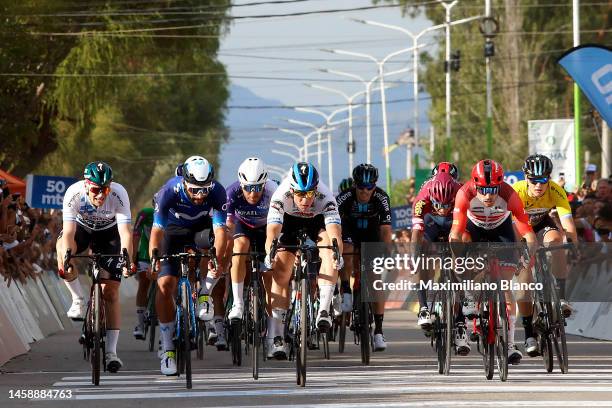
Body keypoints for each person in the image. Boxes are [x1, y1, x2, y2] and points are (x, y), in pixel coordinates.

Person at [450, 159, 537, 365]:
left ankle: (509, 343)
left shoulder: (509, 194)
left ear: (501, 185)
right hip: (473, 230)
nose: (488, 195)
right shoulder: (464, 194)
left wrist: (527, 255)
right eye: (483, 190)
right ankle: (470, 293)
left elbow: (529, 234)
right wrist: (459, 262)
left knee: (505, 286)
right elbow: (455, 233)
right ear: (475, 185)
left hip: (501, 230)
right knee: (461, 243)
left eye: (493, 189)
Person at [149, 156, 228, 375]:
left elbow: (221, 231)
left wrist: (217, 261)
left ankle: (204, 293)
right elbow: (156, 232)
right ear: (184, 183)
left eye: (204, 190)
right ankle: (167, 349)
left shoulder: (218, 192)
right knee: (165, 285)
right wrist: (155, 258)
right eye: (194, 190)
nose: (200, 196)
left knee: (214, 250)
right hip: (171, 232)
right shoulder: (169, 191)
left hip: (201, 231)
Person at [56, 161, 135, 373]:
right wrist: (67, 257)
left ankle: (111, 352)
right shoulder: (73, 193)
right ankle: (78, 299)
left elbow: (126, 233)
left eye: (105, 189)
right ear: (86, 186)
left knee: (110, 292)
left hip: (110, 234)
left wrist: (128, 259)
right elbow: (70, 233)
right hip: (82, 229)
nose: (101, 195)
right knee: (62, 248)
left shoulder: (119, 193)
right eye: (96, 190)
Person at [264, 162, 343, 359]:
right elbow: (272, 233)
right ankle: (277, 337)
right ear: (292, 190)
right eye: (300, 194)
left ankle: (323, 310)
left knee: (330, 250)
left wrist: (337, 254)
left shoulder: (326, 197)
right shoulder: (280, 196)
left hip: (317, 222)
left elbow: (335, 235)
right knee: (281, 271)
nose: (305, 200)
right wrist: (269, 253)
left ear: (316, 190)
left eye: (310, 194)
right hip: (289, 222)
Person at [513, 154, 579, 356]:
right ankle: (529, 334)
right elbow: (509, 226)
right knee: (524, 289)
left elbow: (568, 224)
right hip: (520, 229)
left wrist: (574, 244)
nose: (539, 185)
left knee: (557, 243)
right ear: (526, 177)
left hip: (542, 225)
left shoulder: (556, 190)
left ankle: (560, 297)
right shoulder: (516, 192)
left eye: (543, 180)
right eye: (534, 180)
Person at [336, 164, 392, 351]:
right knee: (348, 252)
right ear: (355, 185)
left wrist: (387, 253)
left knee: (375, 279)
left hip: (371, 234)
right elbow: (333, 224)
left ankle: (379, 332)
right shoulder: (344, 197)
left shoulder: (381, 198)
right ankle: (346, 291)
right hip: (349, 230)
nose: (365, 191)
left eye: (369, 187)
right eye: (361, 187)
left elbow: (385, 229)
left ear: (374, 186)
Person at [410, 172, 466, 351]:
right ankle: (424, 307)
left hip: (453, 222)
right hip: (431, 223)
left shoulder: (461, 191)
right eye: (438, 204)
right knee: (421, 255)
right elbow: (417, 233)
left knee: (462, 263)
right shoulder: (422, 199)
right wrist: (415, 258)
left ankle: (460, 320)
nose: (442, 208)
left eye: (446, 204)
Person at [225, 158, 277, 321]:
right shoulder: (231, 192)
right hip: (242, 226)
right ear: (241, 184)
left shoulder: (273, 190)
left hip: (266, 228)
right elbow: (228, 227)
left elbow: (279, 225)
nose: (253, 193)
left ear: (264, 184)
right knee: (239, 247)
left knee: (269, 275)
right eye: (248, 188)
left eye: (257, 188)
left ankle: (272, 325)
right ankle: (238, 303)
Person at [132, 205, 154, 340]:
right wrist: (133, 259)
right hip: (146, 254)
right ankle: (140, 324)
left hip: (165, 254)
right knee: (144, 284)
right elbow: (135, 237)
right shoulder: (145, 214)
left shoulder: (173, 213)